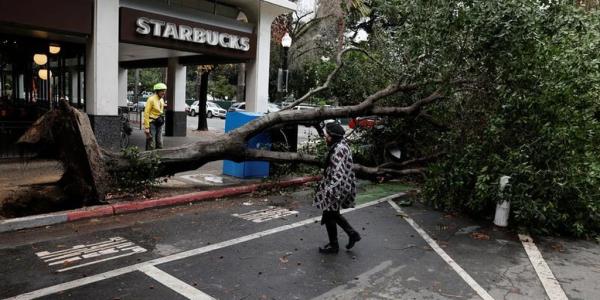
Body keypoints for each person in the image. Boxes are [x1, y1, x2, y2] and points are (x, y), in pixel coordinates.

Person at [313, 122, 361, 254]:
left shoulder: (339, 149)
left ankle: (336, 244)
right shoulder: (340, 144)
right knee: (331, 214)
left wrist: (330, 190)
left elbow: (338, 173)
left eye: (327, 135)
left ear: (333, 136)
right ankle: (351, 235)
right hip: (338, 187)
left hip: (337, 188)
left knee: (329, 214)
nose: (325, 137)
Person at [144, 83, 167, 150]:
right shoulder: (151, 99)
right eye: (162, 91)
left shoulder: (161, 100)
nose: (164, 92)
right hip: (152, 123)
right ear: (157, 91)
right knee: (151, 142)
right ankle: (148, 158)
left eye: (164, 91)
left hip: (159, 122)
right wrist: (146, 127)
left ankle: (158, 158)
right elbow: (146, 113)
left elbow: (160, 110)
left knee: (159, 142)